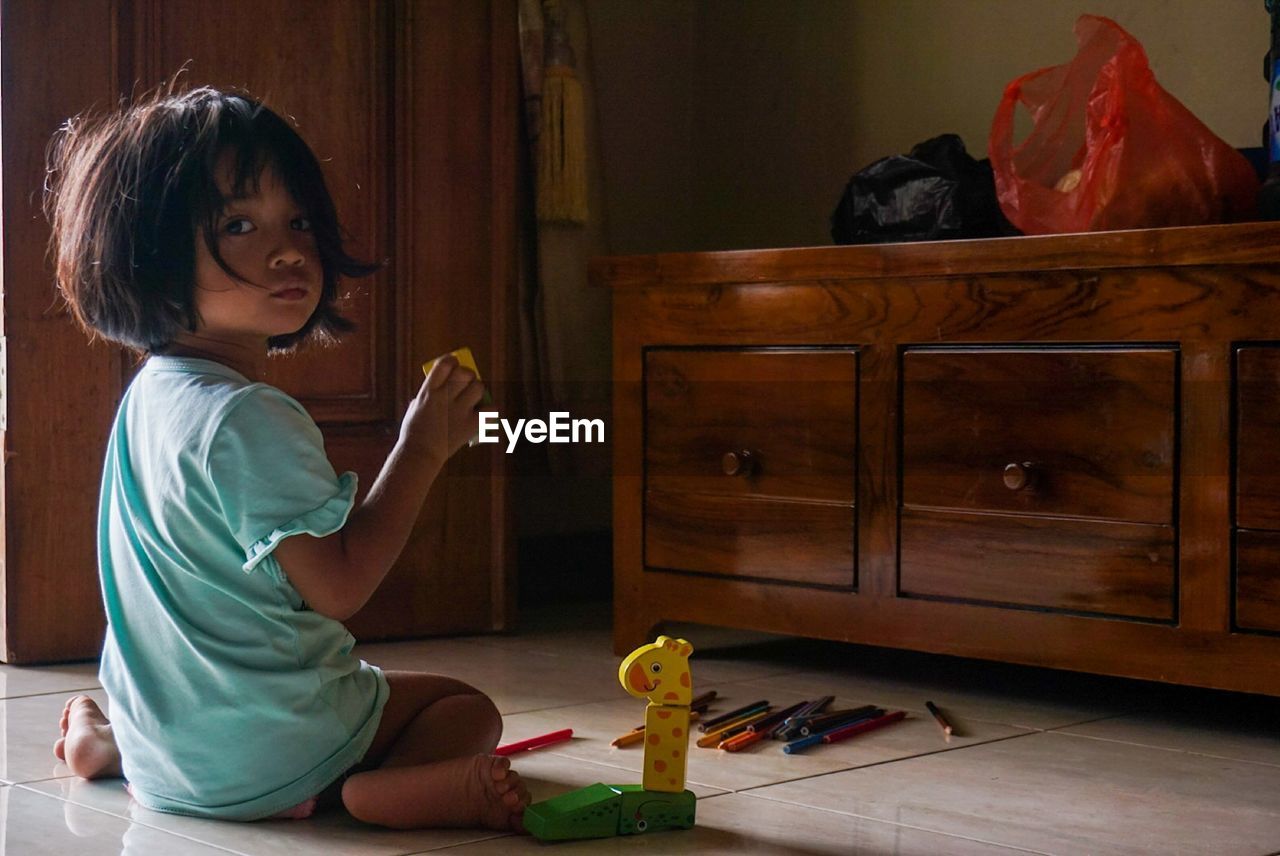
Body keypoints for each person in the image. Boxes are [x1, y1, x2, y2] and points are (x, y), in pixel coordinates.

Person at [42, 85, 528, 831]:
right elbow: (339, 587)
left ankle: (102, 745)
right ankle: (384, 791)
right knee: (463, 706)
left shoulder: (149, 396)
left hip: (166, 763)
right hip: (269, 762)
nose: (288, 248)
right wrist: (422, 447)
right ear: (150, 255)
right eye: (238, 223)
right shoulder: (250, 416)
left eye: (298, 219)